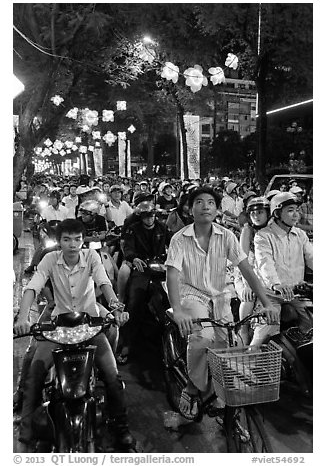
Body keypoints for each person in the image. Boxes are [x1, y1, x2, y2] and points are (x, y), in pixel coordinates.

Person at [14, 219, 135, 452]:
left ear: (83, 240)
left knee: (112, 376)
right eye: (67, 239)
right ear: (59, 242)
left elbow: (103, 282)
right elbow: (34, 286)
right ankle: (26, 435)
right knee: (36, 373)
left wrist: (116, 306)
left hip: (89, 325)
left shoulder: (92, 257)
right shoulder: (50, 259)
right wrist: (22, 318)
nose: (72, 244)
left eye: (77, 239)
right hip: (59, 327)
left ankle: (121, 428)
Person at [165, 187, 278, 420]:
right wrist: (178, 310)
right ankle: (192, 386)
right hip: (191, 295)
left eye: (210, 202)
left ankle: (217, 387)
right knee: (203, 337)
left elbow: (247, 270)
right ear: (190, 208)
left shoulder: (226, 236)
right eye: (199, 202)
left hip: (220, 296)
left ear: (217, 209)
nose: (205, 206)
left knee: (229, 342)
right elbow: (173, 275)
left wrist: (267, 303)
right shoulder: (180, 238)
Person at [252, 192, 313, 346]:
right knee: (264, 333)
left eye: (297, 210)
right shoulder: (263, 236)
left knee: (312, 325)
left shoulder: (300, 234)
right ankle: (250, 363)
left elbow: (312, 257)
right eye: (290, 210)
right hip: (272, 295)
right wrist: (275, 284)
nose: (296, 215)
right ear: (277, 213)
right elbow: (265, 263)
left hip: (297, 293)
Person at [118, 201, 172, 363]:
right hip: (141, 269)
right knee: (134, 303)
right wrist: (134, 258)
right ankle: (126, 344)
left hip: (161, 269)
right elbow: (128, 249)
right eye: (146, 217)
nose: (150, 219)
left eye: (152, 216)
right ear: (141, 217)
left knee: (172, 300)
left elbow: (174, 244)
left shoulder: (162, 228)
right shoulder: (133, 230)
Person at [235, 197, 271, 344]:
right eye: (253, 213)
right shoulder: (247, 231)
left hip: (266, 275)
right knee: (248, 297)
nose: (256, 216)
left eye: (260, 212)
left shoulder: (273, 230)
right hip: (245, 274)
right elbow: (242, 260)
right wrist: (247, 284)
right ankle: (243, 331)